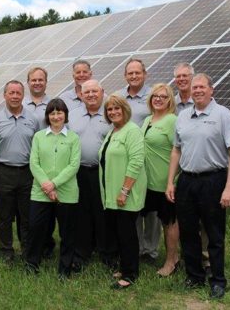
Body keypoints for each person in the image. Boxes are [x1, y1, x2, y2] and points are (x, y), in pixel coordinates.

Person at [166, 73, 230, 299]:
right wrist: (171, 181)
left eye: (201, 87)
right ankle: (194, 276)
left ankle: (217, 280)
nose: (197, 90)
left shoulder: (223, 115)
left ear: (211, 90)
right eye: (194, 87)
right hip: (187, 180)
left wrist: (229, 187)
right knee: (188, 231)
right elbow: (176, 150)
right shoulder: (183, 116)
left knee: (214, 233)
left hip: (213, 180)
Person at [26, 98, 81, 277]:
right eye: (52, 113)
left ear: (65, 115)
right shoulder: (39, 136)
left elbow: (74, 165)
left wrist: (54, 184)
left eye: (59, 113)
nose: (56, 116)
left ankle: (64, 269)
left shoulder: (73, 138)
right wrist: (46, 185)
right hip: (40, 192)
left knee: (67, 232)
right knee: (35, 228)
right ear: (47, 116)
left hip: (66, 192)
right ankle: (32, 264)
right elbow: (34, 163)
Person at [99, 94, 146, 289]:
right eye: (110, 109)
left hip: (127, 193)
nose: (113, 112)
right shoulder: (113, 131)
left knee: (127, 233)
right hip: (113, 193)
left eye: (117, 108)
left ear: (125, 109)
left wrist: (124, 191)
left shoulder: (132, 130)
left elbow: (136, 162)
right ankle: (125, 265)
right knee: (119, 231)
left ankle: (130, 274)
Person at [117, 58, 160, 264]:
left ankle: (150, 251)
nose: (134, 76)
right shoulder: (117, 96)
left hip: (149, 159)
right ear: (125, 75)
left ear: (145, 74)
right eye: (130, 73)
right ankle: (136, 246)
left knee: (150, 208)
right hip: (124, 160)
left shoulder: (154, 96)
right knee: (130, 204)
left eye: (137, 72)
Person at [0, 80, 39, 263]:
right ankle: (6, 251)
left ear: (23, 95)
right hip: (3, 171)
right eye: (10, 93)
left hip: (27, 172)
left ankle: (27, 249)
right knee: (5, 216)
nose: (14, 96)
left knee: (26, 215)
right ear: (4, 95)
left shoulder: (33, 119)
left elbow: (37, 145)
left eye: (18, 93)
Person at [69, 80, 111, 270]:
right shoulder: (73, 115)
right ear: (81, 95)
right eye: (87, 92)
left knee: (104, 213)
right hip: (79, 172)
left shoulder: (111, 112)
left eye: (95, 91)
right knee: (81, 213)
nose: (91, 95)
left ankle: (107, 253)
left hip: (104, 172)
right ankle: (81, 253)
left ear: (102, 92)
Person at [174, 62, 210, 274]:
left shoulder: (207, 104)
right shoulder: (173, 104)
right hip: (182, 171)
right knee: (185, 219)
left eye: (185, 76)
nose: (181, 80)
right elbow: (175, 145)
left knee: (205, 220)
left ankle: (206, 261)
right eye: (178, 77)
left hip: (205, 170)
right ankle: (188, 261)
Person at [141, 83, 179, 277]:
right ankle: (144, 252)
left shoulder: (172, 120)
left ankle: (171, 261)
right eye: (155, 95)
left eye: (163, 97)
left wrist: (171, 181)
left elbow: (178, 150)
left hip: (164, 181)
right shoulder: (148, 119)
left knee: (169, 222)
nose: (158, 99)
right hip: (146, 181)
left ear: (170, 100)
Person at [24, 66, 55, 257]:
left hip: (48, 165)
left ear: (46, 82)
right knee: (30, 208)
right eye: (33, 80)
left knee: (48, 208)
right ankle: (29, 244)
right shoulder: (21, 103)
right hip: (27, 163)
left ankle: (47, 244)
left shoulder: (52, 105)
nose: (37, 83)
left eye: (40, 80)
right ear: (28, 82)